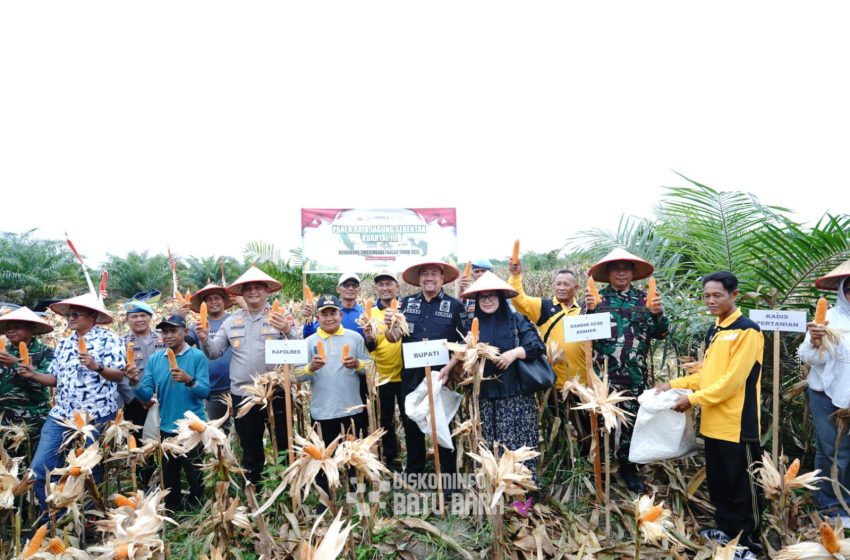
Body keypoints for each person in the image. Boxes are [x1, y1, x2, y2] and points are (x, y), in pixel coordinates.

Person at [656, 271, 763, 556]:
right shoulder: (715, 330)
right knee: (720, 483)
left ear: (734, 295)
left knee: (743, 486)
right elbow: (708, 374)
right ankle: (727, 531)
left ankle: (749, 542)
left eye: (717, 295)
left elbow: (731, 382)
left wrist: (692, 399)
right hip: (714, 423)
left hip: (738, 423)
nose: (711, 300)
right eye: (706, 295)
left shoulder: (747, 330)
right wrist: (674, 384)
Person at [196, 265, 297, 485]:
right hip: (242, 393)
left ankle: (287, 486)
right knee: (250, 445)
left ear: (267, 290)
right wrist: (204, 338)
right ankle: (254, 488)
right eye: (248, 288)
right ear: (241, 292)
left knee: (282, 441)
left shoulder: (281, 317)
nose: (253, 291)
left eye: (258, 287)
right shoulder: (231, 322)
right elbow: (215, 353)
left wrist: (288, 331)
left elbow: (298, 352)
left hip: (275, 391)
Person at [31, 294, 126, 515]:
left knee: (92, 471)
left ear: (92, 316)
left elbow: (119, 375)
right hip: (62, 415)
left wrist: (96, 366)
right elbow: (54, 379)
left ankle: (93, 518)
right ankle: (57, 518)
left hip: (97, 416)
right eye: (68, 314)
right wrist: (33, 375)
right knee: (40, 469)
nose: (70, 318)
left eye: (76, 314)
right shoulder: (64, 343)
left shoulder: (110, 340)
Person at [585, 248, 668, 492]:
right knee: (604, 423)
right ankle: (600, 467)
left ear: (632, 273)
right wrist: (588, 311)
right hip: (604, 377)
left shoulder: (645, 300)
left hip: (634, 374)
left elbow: (661, 334)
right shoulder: (596, 300)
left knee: (631, 422)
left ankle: (628, 468)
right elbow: (582, 336)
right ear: (608, 273)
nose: (621, 273)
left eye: (626, 268)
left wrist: (658, 314)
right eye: (616, 268)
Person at [452, 271, 546, 482]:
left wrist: (514, 354)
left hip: (515, 396)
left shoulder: (516, 320)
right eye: (482, 297)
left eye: (492, 296)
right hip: (484, 397)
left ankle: (523, 491)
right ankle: (494, 490)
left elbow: (537, 346)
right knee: (489, 445)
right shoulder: (470, 325)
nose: (487, 301)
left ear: (501, 298)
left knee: (518, 446)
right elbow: (461, 357)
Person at [385, 261, 467, 477]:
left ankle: (448, 476)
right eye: (425, 274)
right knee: (412, 424)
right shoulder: (404, 304)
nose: (429, 278)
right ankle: (415, 474)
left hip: (442, 376)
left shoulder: (455, 306)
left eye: (434, 274)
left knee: (442, 425)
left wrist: (450, 369)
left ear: (442, 279)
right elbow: (393, 339)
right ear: (419, 279)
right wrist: (389, 326)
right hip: (411, 376)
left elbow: (464, 344)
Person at [127, 314, 209, 512]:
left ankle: (197, 509)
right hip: (166, 427)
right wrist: (134, 382)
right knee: (170, 476)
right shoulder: (156, 360)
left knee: (195, 473)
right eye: (165, 332)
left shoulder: (197, 357)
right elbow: (147, 395)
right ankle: (174, 510)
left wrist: (189, 380)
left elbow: (205, 391)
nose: (168, 335)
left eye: (173, 331)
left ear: (185, 332)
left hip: (192, 427)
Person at [798, 260, 850, 524]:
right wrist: (816, 340)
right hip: (826, 395)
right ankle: (829, 504)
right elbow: (807, 357)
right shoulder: (828, 318)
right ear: (842, 291)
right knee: (833, 451)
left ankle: (846, 500)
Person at [297, 295, 370, 446]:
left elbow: (371, 368)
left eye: (333, 313)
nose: (329, 318)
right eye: (324, 314)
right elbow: (296, 375)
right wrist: (310, 367)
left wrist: (358, 364)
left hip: (352, 411)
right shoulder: (309, 342)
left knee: (353, 463)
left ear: (340, 315)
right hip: (322, 413)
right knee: (325, 463)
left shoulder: (355, 338)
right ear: (317, 317)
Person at [508, 260, 587, 387]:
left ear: (576, 288)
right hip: (553, 382)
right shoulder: (543, 306)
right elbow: (518, 299)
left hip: (583, 383)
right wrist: (515, 276)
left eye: (566, 284)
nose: (561, 288)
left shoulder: (585, 310)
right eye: (558, 284)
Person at [362, 271, 405, 471]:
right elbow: (369, 347)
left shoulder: (407, 309)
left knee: (410, 418)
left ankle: (414, 458)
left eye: (389, 284)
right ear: (376, 289)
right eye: (381, 285)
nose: (385, 288)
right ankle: (390, 458)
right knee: (384, 419)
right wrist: (369, 338)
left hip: (406, 375)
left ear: (397, 287)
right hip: (381, 377)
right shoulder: (370, 313)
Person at [0, 307, 55, 446]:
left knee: (30, 460)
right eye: (8, 328)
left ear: (31, 329)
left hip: (32, 418)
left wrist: (15, 365)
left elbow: (46, 381)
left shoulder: (46, 352)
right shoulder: (2, 352)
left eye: (17, 327)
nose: (10, 331)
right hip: (3, 419)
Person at [189, 283, 234, 429]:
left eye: (217, 298)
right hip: (212, 389)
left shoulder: (234, 321)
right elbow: (182, 344)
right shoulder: (196, 327)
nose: (213, 302)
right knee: (218, 432)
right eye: (208, 300)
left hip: (235, 386)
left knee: (244, 431)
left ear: (224, 301)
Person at [119, 300, 165, 439]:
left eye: (143, 315)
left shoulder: (164, 337)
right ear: (127, 319)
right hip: (134, 402)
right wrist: (136, 399)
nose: (139, 319)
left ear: (151, 317)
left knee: (165, 440)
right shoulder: (120, 342)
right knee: (137, 443)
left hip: (163, 398)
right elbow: (119, 375)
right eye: (134, 316)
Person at [303, 273, 366, 338]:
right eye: (346, 285)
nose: (351, 288)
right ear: (338, 289)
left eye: (354, 285)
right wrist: (308, 319)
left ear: (359, 290)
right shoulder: (329, 311)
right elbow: (309, 336)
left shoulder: (364, 314)